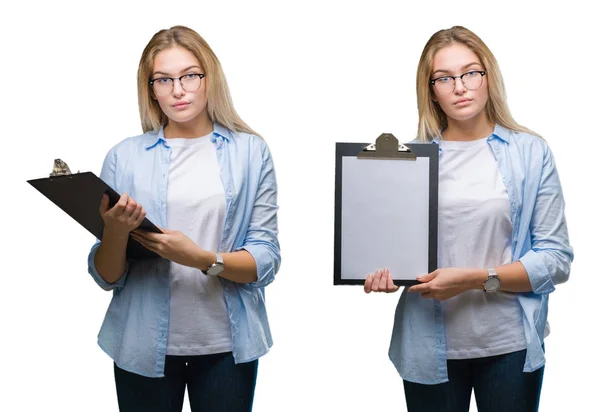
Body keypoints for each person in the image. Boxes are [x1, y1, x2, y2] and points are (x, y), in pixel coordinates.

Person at [363, 26, 573, 412]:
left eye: (470, 72)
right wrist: (387, 272)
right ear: (431, 90)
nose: (460, 87)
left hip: (508, 343)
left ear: (488, 77)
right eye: (444, 78)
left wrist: (477, 278)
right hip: (428, 345)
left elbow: (556, 259)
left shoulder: (531, 152)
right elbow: (397, 252)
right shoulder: (407, 162)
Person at [87, 25, 280, 412]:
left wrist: (199, 258)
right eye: (164, 79)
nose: (178, 89)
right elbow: (107, 276)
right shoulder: (124, 157)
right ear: (151, 88)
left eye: (190, 75)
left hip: (227, 345)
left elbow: (266, 259)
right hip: (139, 341)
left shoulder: (250, 152)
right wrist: (115, 232)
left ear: (210, 78)